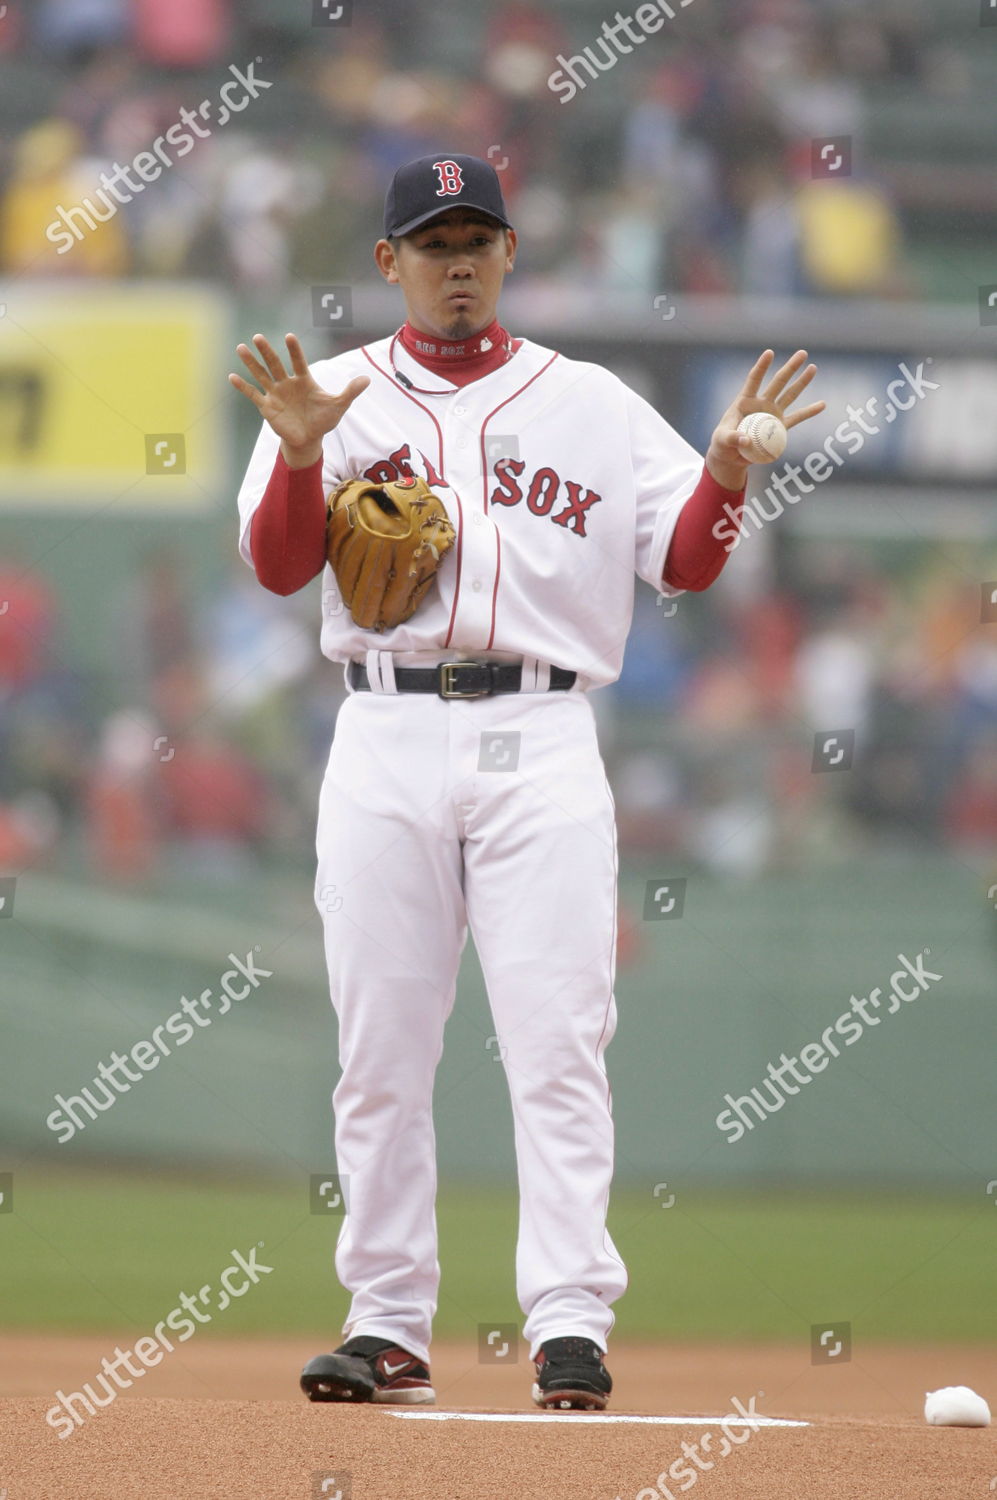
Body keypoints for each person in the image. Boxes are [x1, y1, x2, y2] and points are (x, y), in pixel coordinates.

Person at [231, 153, 824, 1411]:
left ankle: (567, 1324)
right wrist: (294, 462)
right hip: (383, 734)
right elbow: (283, 572)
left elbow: (684, 562)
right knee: (380, 1047)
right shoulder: (328, 394)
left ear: (509, 256)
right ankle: (387, 1320)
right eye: (432, 242)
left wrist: (721, 477)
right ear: (388, 261)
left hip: (544, 735)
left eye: (477, 240)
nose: (457, 262)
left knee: (558, 1041)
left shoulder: (593, 403)